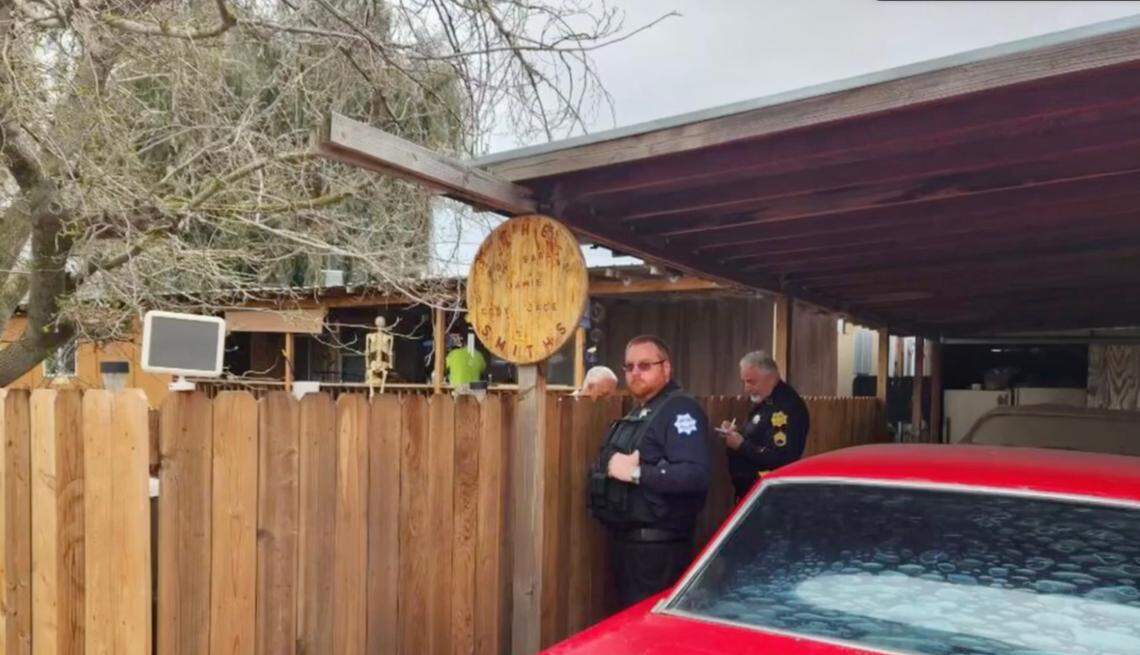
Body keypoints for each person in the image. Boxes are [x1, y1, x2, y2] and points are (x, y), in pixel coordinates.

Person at [588, 335, 711, 607]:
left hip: (659, 552)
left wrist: (637, 473)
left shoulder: (680, 411)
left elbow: (695, 475)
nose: (635, 373)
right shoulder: (645, 410)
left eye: (645, 366)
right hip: (630, 547)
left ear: (666, 368)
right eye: (629, 367)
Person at [718, 350, 810, 502]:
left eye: (751, 382)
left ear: (771, 377)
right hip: (753, 493)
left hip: (770, 496)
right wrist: (736, 433)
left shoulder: (787, 407)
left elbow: (781, 458)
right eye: (744, 381)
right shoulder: (765, 401)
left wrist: (740, 445)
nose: (746, 388)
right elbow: (757, 436)